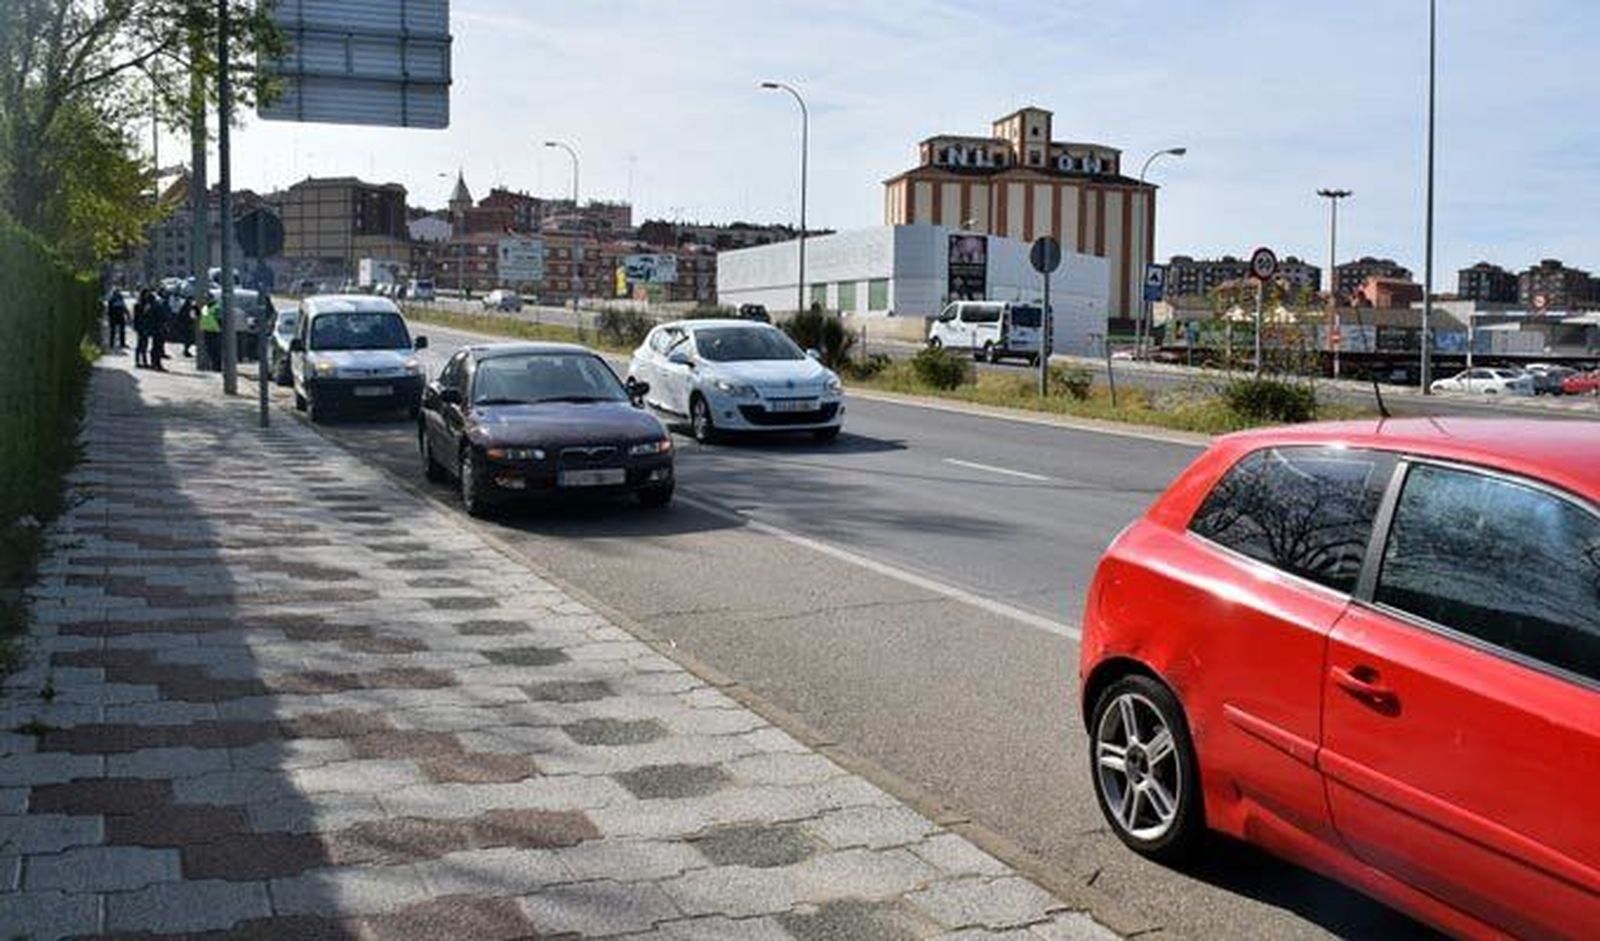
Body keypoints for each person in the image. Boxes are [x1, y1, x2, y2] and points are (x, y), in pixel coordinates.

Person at [199, 293, 222, 372]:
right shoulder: (205, 307)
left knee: (216, 350)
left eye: (207, 299)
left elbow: (220, 318)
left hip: (215, 331)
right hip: (207, 331)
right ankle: (213, 365)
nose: (206, 300)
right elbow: (201, 316)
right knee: (209, 350)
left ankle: (217, 367)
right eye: (205, 299)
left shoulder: (216, 307)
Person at [147, 291, 168, 372]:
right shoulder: (156, 307)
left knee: (155, 347)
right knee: (157, 347)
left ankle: (154, 363)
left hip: (155, 329)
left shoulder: (151, 307)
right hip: (158, 329)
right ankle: (157, 364)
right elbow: (162, 318)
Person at [131, 290, 150, 367]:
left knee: (145, 344)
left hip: (146, 326)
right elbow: (136, 317)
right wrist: (136, 327)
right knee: (140, 344)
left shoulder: (147, 304)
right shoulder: (138, 305)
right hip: (140, 326)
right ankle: (137, 361)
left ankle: (144, 361)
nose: (147, 296)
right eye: (146, 294)